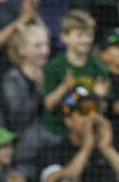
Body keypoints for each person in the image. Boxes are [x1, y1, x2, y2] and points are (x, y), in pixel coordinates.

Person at [41, 10, 109, 138]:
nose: (86, 40)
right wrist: (64, 88)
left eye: (89, 35)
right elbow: (48, 104)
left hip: (86, 132)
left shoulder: (99, 69)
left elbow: (103, 108)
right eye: (79, 35)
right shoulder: (54, 66)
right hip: (56, 131)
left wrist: (97, 97)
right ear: (64, 37)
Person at [0, 20, 49, 135]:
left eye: (47, 44)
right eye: (38, 46)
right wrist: (38, 92)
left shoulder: (51, 72)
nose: (45, 51)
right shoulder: (12, 79)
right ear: (21, 50)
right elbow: (19, 118)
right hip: (24, 138)